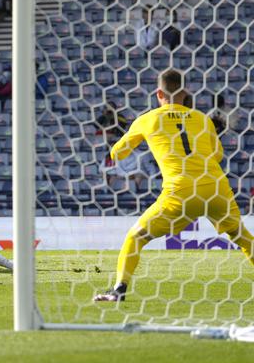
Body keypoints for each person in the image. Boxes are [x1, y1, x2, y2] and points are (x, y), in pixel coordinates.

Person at [94, 69, 254, 302]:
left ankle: (119, 290)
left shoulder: (148, 119)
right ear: (185, 93)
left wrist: (144, 138)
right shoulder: (202, 118)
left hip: (181, 191)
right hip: (216, 187)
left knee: (136, 236)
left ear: (159, 93)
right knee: (243, 238)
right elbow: (218, 154)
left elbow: (117, 153)